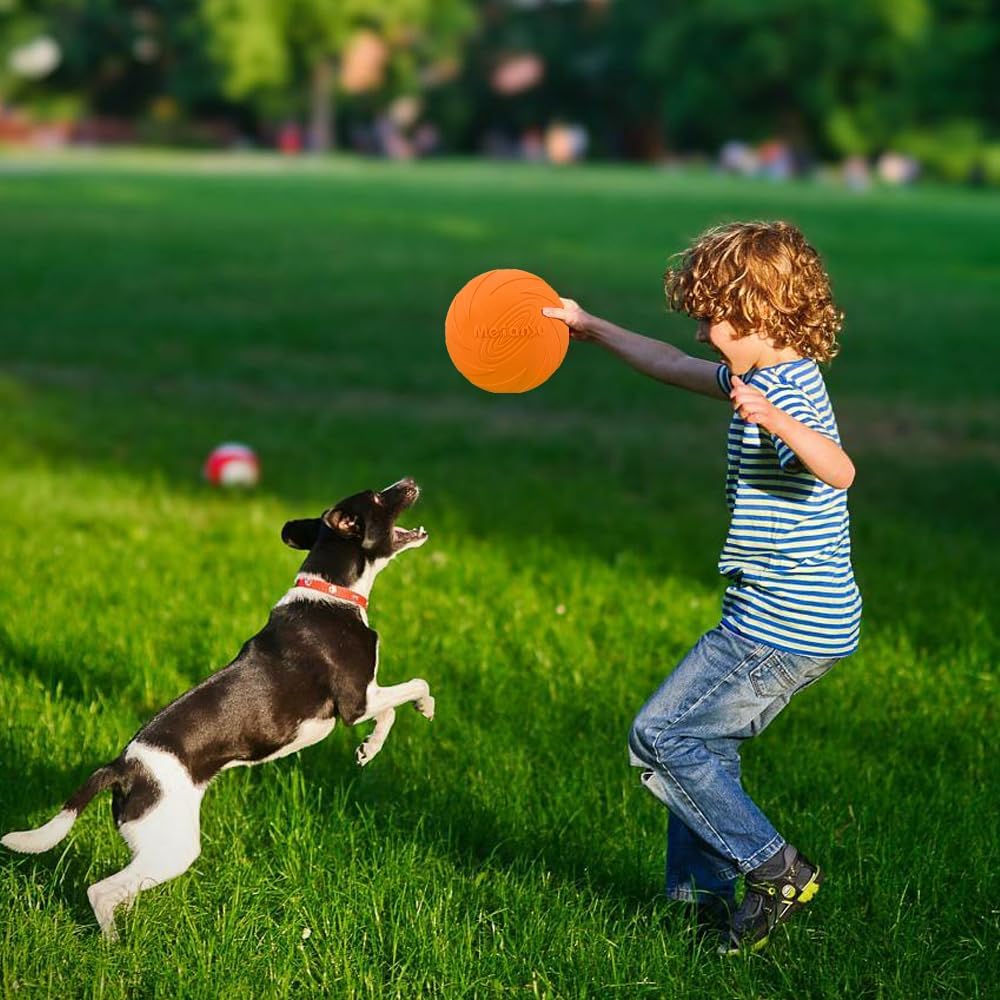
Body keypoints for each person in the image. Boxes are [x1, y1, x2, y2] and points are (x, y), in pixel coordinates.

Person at [542, 221, 862, 954]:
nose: (701, 330)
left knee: (661, 735)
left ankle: (774, 868)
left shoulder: (789, 395)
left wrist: (776, 418)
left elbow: (841, 470)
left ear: (766, 317)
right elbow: (667, 364)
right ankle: (699, 902)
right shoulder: (756, 374)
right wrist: (591, 327)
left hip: (784, 628)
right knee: (705, 746)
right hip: (782, 616)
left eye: (715, 316)